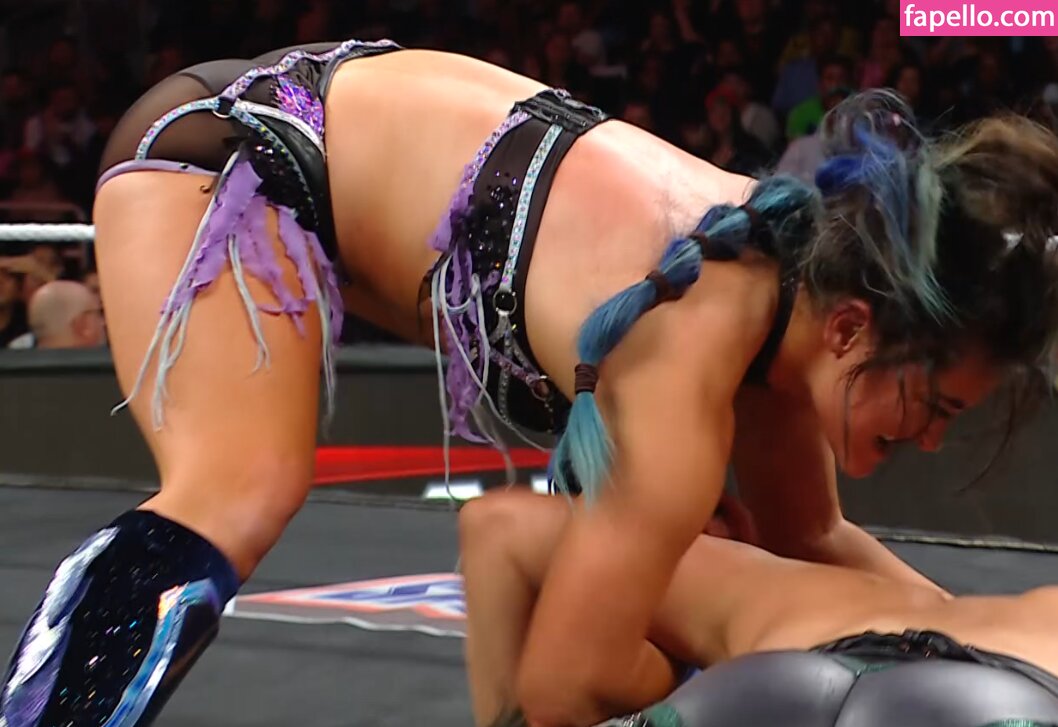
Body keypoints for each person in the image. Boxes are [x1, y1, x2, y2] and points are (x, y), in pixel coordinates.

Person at [3, 40, 1058, 727]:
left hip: (362, 159)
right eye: (935, 405)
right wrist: (728, 671)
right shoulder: (690, 354)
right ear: (853, 329)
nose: (930, 440)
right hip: (234, 145)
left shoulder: (794, 293)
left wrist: (998, 650)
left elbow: (812, 537)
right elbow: (562, 687)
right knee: (239, 485)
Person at [461, 489, 1058, 726]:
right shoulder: (1042, 613)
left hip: (757, 690)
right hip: (1004, 702)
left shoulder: (779, 589)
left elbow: (497, 524)